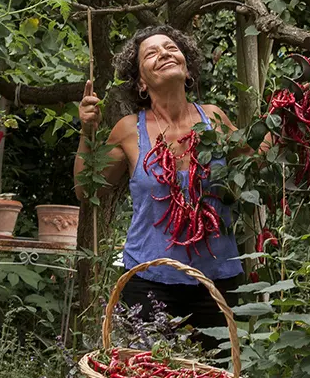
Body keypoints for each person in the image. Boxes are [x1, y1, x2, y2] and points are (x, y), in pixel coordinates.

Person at [74, 25, 248, 350]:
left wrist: (290, 114)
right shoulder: (128, 129)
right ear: (141, 82)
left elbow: (256, 161)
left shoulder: (214, 119)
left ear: (186, 65)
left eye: (170, 47)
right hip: (149, 281)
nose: (164, 53)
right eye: (151, 53)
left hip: (218, 279)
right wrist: (87, 132)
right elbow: (88, 191)